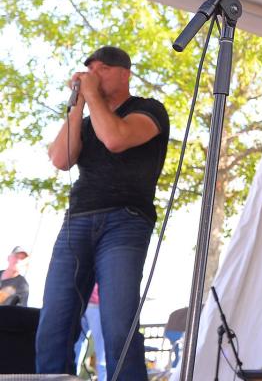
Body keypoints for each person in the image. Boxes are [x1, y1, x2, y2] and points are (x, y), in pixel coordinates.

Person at [35, 46, 170, 381]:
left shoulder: (148, 110)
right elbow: (60, 159)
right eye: (89, 69)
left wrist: (91, 95)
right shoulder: (84, 117)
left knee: (119, 325)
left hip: (125, 222)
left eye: (103, 69)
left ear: (125, 73)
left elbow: (115, 138)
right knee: (54, 322)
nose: (93, 74)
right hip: (77, 221)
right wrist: (78, 104)